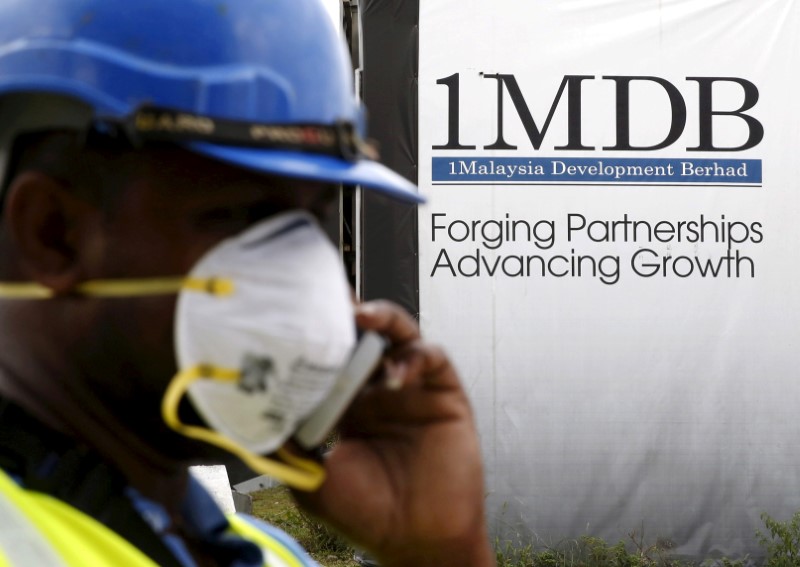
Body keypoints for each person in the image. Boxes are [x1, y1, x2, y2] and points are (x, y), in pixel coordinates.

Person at [0, 1, 495, 566]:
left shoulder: (265, 555)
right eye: (242, 215)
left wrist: (440, 552)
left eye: (311, 221)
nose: (298, 278)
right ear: (52, 233)